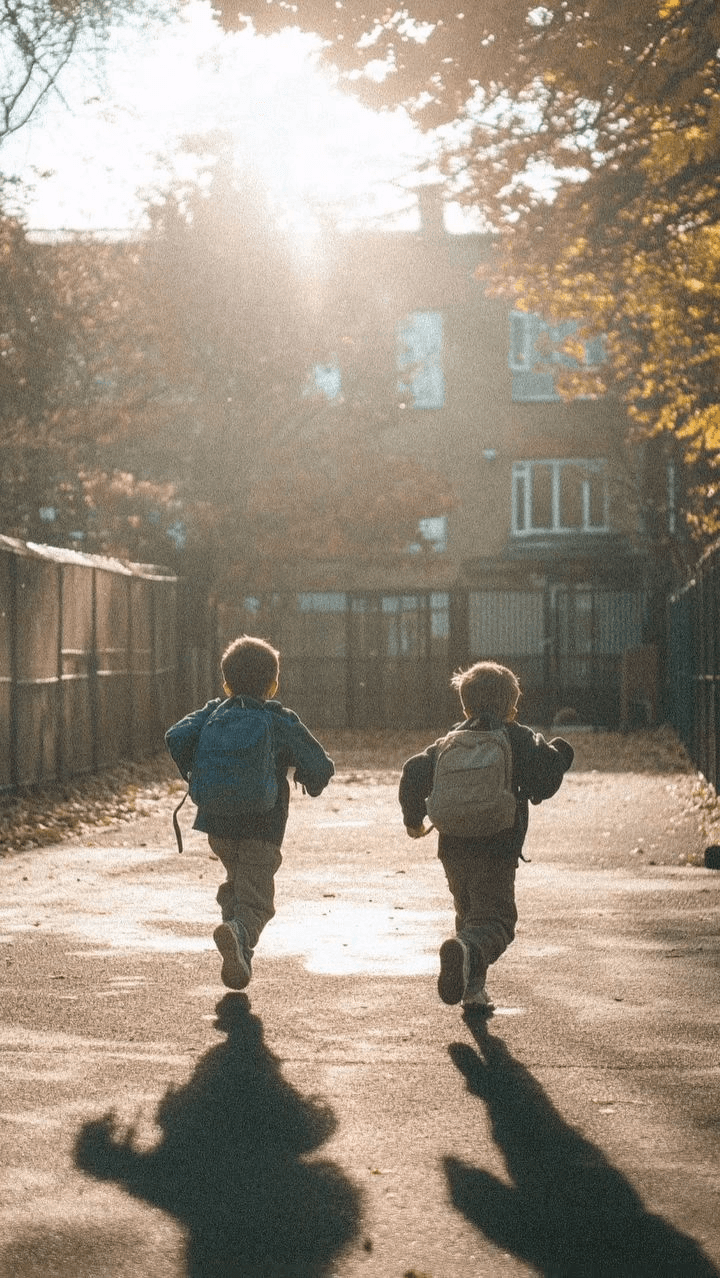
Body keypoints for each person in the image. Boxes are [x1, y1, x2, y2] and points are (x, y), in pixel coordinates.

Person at [399, 660, 574, 1012]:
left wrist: (414, 819)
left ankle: (472, 989)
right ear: (512, 706)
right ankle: (467, 954)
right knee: (497, 921)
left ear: (464, 706)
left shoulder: (449, 742)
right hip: (496, 845)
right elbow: (544, 780)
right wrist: (562, 754)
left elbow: (413, 770)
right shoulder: (518, 737)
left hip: (452, 847)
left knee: (469, 916)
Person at [165, 635, 334, 991]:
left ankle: (240, 951)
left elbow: (176, 736)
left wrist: (196, 772)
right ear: (273, 685)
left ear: (226, 683)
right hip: (264, 824)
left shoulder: (214, 711)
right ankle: (239, 931)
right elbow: (319, 764)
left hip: (218, 825)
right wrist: (311, 781)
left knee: (238, 882)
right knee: (258, 902)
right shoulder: (278, 719)